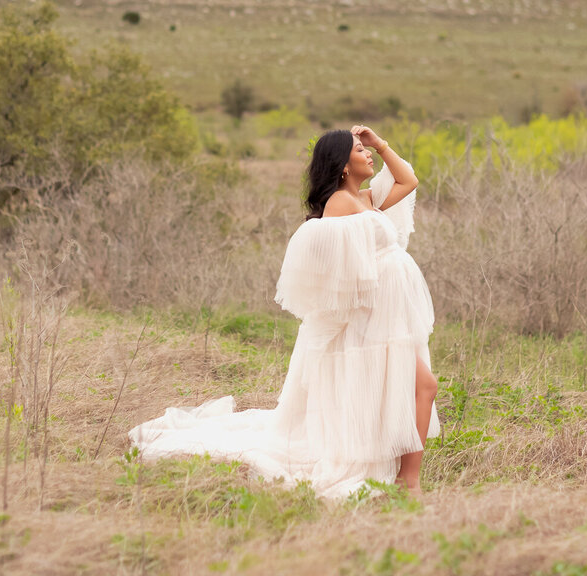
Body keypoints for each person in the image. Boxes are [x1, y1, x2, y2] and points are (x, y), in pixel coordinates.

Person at [127, 125, 439, 498]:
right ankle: (409, 481)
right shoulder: (340, 204)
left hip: (387, 316)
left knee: (419, 386)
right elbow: (339, 272)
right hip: (367, 319)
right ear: (341, 165)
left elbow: (409, 179)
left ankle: (409, 478)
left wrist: (380, 144)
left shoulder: (367, 199)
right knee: (421, 386)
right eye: (359, 150)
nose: (368, 154)